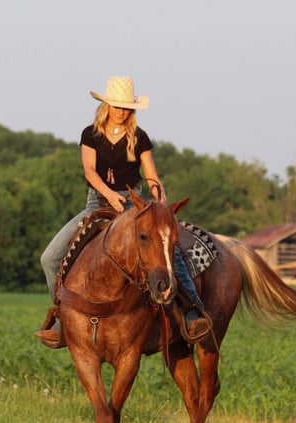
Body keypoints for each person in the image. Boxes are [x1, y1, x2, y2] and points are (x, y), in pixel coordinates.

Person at [36, 75, 210, 348]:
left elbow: (151, 175)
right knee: (50, 257)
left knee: (168, 250)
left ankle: (191, 311)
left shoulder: (139, 138)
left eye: (127, 107)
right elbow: (90, 172)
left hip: (134, 206)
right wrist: (109, 195)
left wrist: (158, 197)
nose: (122, 111)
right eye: (117, 106)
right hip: (97, 203)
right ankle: (62, 316)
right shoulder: (90, 134)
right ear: (106, 105)